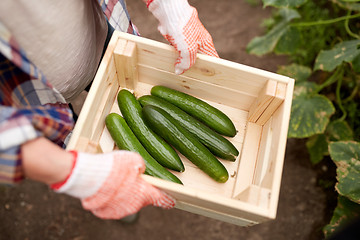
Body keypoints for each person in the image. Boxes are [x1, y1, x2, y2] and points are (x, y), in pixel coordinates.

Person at [0, 0, 219, 220]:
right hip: (22, 96)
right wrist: (74, 173)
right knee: (69, 141)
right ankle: (106, 183)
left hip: (97, 31)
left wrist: (171, 7)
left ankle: (114, 184)